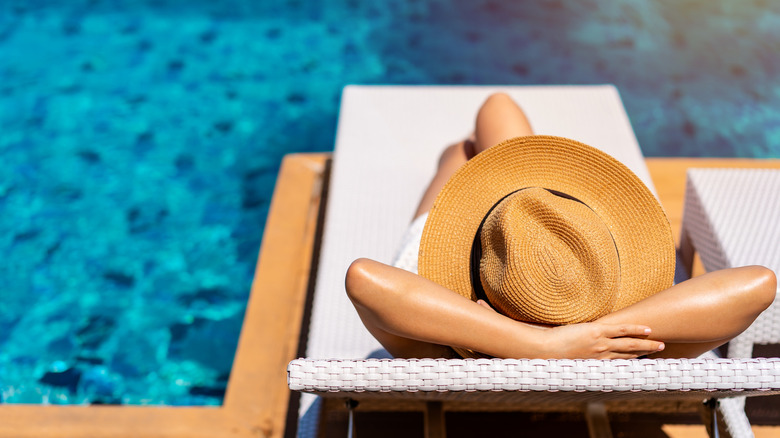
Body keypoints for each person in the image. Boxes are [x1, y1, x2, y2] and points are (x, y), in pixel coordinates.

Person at [345, 92, 777, 360]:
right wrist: (587, 335)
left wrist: (539, 346)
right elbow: (758, 284)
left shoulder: (444, 349)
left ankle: (463, 158)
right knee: (482, 141)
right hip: (604, 315)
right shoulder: (629, 353)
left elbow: (365, 280)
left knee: (461, 151)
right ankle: (478, 164)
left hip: (461, 301)